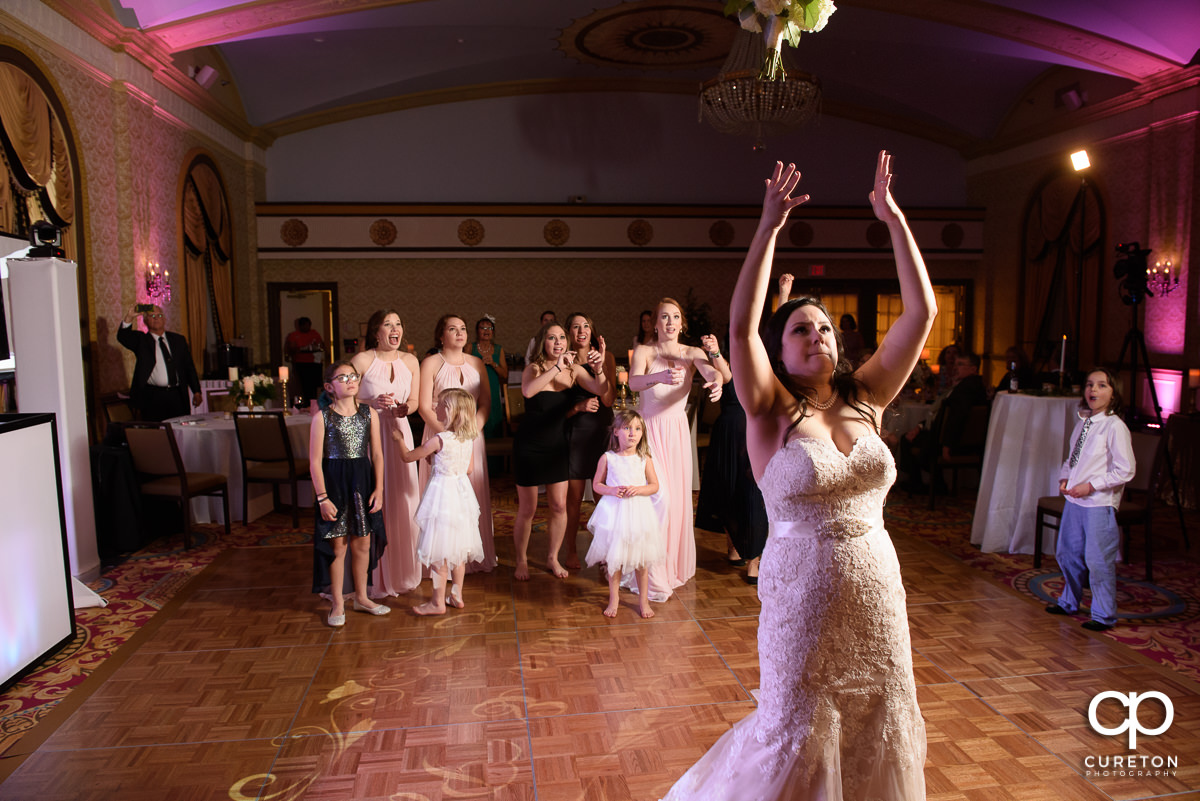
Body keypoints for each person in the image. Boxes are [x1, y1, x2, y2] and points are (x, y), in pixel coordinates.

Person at [662, 152, 932, 800]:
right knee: (797, 726)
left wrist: (893, 220)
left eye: (826, 327)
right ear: (779, 349)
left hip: (877, 596)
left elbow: (919, 314)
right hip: (801, 598)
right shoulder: (770, 411)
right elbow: (736, 327)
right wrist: (768, 226)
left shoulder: (868, 396)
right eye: (801, 328)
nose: (817, 335)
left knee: (880, 720)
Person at [628, 299, 729, 598]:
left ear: (682, 324)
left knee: (677, 504)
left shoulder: (693, 353)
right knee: (659, 499)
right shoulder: (646, 350)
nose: (670, 322)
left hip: (676, 434)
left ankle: (671, 564)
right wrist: (657, 376)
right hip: (649, 434)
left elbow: (713, 373)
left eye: (675, 317)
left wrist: (717, 382)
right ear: (655, 323)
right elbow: (633, 382)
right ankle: (650, 570)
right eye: (664, 317)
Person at [513, 322, 608, 580]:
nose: (558, 342)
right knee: (528, 509)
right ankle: (521, 560)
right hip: (529, 446)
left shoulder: (575, 370)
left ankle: (553, 558)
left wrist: (598, 370)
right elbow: (528, 390)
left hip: (558, 445)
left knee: (558, 506)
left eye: (562, 338)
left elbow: (601, 389)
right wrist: (556, 367)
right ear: (543, 342)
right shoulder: (533, 368)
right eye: (552, 338)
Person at [1045, 367, 1135, 632]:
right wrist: (1066, 478)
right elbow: (1073, 457)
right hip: (1075, 502)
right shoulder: (1084, 422)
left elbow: (1126, 469)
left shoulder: (1115, 427)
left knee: (1097, 561)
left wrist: (1091, 486)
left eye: (1102, 385)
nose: (1093, 390)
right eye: (1089, 385)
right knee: (1067, 554)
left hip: (1098, 503)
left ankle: (1103, 614)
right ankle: (1069, 601)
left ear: (1114, 393)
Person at [309, 360, 390, 627]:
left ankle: (362, 597)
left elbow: (376, 454)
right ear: (329, 386)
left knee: (363, 542)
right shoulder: (322, 417)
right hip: (334, 483)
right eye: (342, 378)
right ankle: (337, 601)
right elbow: (314, 461)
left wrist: (379, 488)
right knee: (338, 546)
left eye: (352, 376)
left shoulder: (369, 414)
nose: (350, 380)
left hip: (362, 481)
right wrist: (322, 497)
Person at [394, 388, 484, 616]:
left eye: (441, 404)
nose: (436, 407)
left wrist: (399, 440)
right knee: (457, 550)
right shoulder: (467, 439)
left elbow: (407, 457)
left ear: (451, 411)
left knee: (439, 552)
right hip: (462, 495)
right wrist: (438, 460)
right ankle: (456, 594)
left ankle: (436, 602)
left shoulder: (439, 439)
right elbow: (469, 468)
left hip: (442, 496)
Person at [353, 310, 422, 597]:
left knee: (404, 498)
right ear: (375, 332)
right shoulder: (362, 360)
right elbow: (343, 396)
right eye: (388, 324)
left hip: (399, 431)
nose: (395, 328)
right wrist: (370, 400)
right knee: (375, 498)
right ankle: (372, 575)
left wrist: (408, 408)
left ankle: (403, 571)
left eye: (398, 323)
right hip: (371, 433)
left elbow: (416, 399)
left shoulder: (410, 360)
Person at [418, 314, 495, 571]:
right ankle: (441, 562)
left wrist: (472, 431)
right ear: (441, 335)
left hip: (472, 436)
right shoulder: (430, 362)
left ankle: (468, 558)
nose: (460, 333)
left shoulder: (476, 362)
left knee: (470, 493)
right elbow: (423, 406)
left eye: (463, 328)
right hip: (440, 437)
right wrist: (449, 435)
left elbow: (485, 402)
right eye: (453, 329)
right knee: (443, 498)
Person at [585, 409, 664, 619]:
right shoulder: (608, 458)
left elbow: (654, 486)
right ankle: (614, 598)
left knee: (641, 560)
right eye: (627, 428)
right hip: (615, 512)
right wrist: (610, 490)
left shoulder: (644, 459)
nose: (632, 433)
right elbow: (597, 484)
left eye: (637, 429)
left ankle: (643, 601)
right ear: (616, 432)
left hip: (639, 513)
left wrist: (639, 489)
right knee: (615, 558)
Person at [562, 312, 616, 570]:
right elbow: (555, 408)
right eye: (575, 326)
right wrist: (578, 407)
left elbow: (608, 400)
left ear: (592, 331)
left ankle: (604, 552)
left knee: (601, 495)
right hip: (574, 432)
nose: (581, 330)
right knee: (572, 498)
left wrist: (602, 365)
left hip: (601, 431)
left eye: (585, 325)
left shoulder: (608, 358)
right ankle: (571, 550)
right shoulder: (564, 362)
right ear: (568, 333)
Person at [897, 350, 988, 494]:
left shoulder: (967, 388)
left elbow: (957, 417)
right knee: (909, 436)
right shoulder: (965, 385)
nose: (955, 368)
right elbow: (939, 414)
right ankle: (928, 483)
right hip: (941, 433)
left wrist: (947, 444)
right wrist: (920, 427)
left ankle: (920, 484)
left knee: (906, 440)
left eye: (961, 364)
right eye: (956, 364)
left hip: (950, 439)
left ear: (973, 369)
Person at [117, 304, 202, 421]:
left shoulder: (178, 340)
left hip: (177, 395)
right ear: (146, 321)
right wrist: (129, 317)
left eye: (159, 315)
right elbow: (123, 337)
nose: (156, 318)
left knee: (180, 429)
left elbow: (189, 367)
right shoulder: (142, 341)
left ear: (164, 319)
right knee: (158, 433)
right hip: (153, 397)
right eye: (152, 316)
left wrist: (196, 391)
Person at [471, 316, 509, 471]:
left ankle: (495, 467)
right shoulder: (470, 347)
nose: (486, 331)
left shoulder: (498, 349)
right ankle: (477, 465)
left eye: (489, 328)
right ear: (477, 331)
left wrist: (493, 363)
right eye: (482, 328)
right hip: (475, 388)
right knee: (477, 421)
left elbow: (505, 374)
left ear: (493, 332)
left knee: (493, 422)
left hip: (492, 389)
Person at [284, 316, 325, 405]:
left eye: (308, 325)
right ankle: (304, 404)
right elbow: (291, 348)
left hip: (314, 363)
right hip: (300, 363)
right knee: (303, 386)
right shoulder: (294, 335)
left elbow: (321, 345)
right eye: (304, 326)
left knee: (315, 386)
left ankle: (315, 403)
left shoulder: (314, 333)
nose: (306, 328)